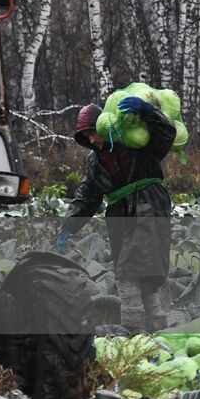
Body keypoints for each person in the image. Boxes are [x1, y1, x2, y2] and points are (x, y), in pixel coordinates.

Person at [57, 96, 176, 333]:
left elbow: (167, 135)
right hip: (119, 214)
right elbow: (88, 194)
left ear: (105, 125)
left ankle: (133, 332)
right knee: (142, 277)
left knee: (129, 274)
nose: (92, 139)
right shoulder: (95, 161)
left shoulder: (137, 143)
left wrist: (149, 112)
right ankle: (157, 331)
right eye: (86, 136)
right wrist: (69, 225)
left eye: (94, 131)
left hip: (148, 206)